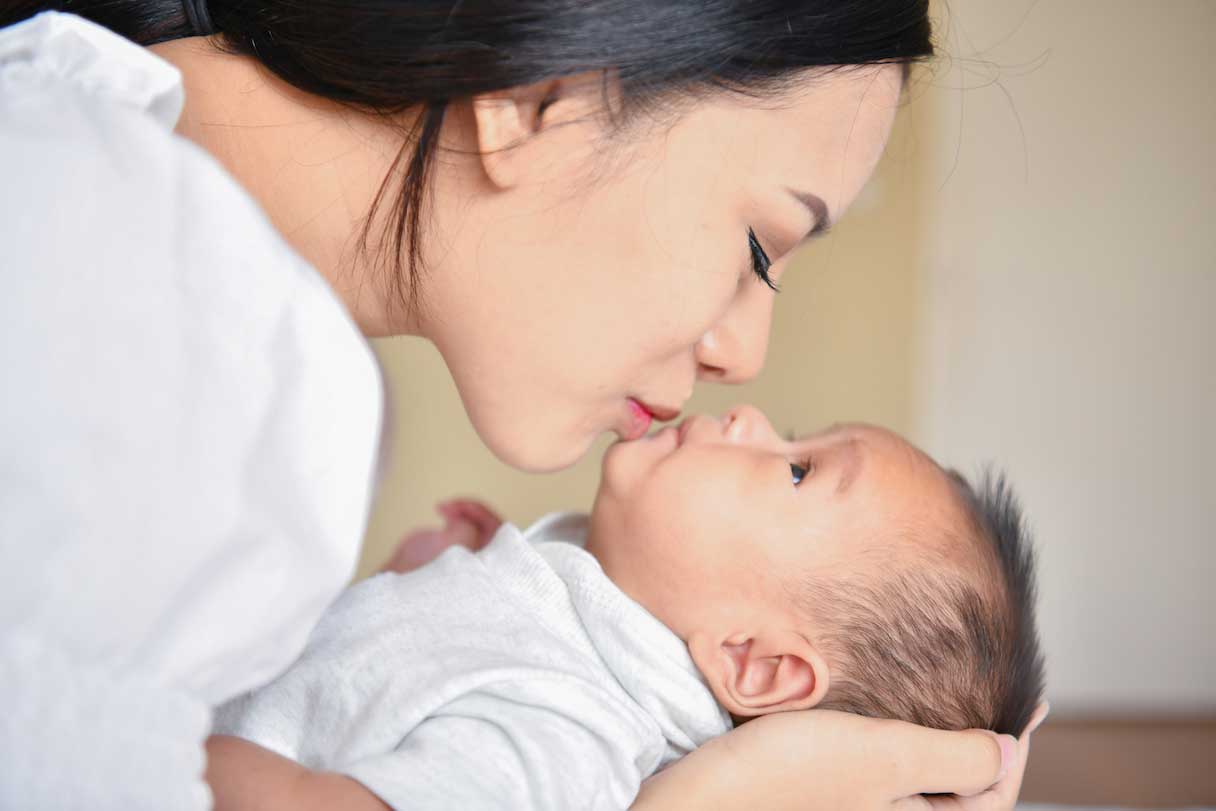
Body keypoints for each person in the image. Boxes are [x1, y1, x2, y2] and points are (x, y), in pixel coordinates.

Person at [0, 1, 1044, 808]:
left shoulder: (154, 267)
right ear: (545, 96)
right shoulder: (147, 313)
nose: (744, 358)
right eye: (760, 246)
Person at [205, 407, 1045, 811]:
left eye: (795, 468)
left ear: (752, 662)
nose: (750, 416)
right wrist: (425, 600)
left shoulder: (567, 727)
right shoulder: (566, 613)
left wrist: (181, 750)